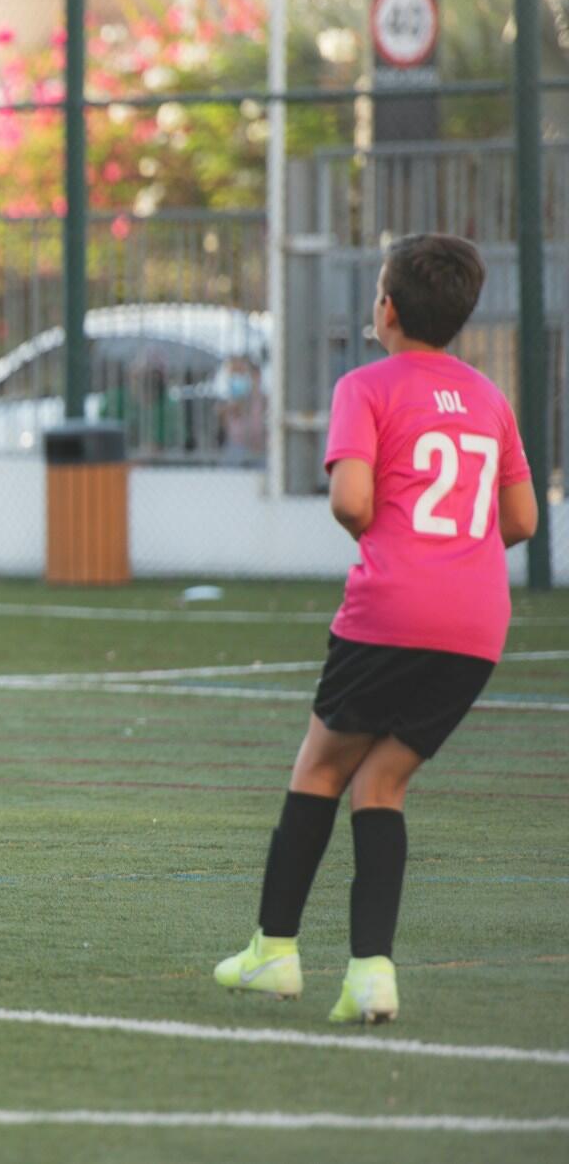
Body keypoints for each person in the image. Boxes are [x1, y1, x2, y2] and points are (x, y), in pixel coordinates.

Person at [214, 234, 537, 1023]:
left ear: (385, 307)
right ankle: (372, 975)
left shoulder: (366, 386)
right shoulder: (490, 398)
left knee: (320, 770)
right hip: (477, 622)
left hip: (393, 606)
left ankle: (276, 953)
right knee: (382, 784)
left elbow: (352, 501)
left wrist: (403, 553)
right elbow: (522, 518)